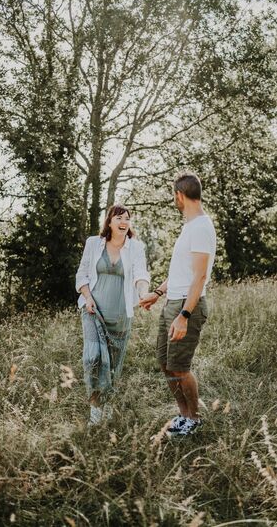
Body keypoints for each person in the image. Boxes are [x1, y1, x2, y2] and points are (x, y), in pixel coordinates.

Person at [139, 172, 216, 437]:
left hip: (187, 305)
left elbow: (199, 276)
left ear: (179, 195)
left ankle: (193, 419)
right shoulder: (189, 226)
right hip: (172, 301)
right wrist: (158, 293)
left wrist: (184, 315)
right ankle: (182, 415)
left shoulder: (202, 227)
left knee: (180, 368)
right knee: (166, 362)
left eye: (175, 196)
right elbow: (181, 271)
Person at [76, 204, 150, 426]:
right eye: (119, 218)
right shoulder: (93, 244)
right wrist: (88, 298)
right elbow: (82, 274)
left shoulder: (136, 247)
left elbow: (140, 273)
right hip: (93, 310)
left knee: (113, 367)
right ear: (109, 222)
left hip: (120, 316)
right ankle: (94, 413)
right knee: (93, 358)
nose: (124, 222)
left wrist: (144, 293)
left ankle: (106, 408)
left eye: (127, 218)